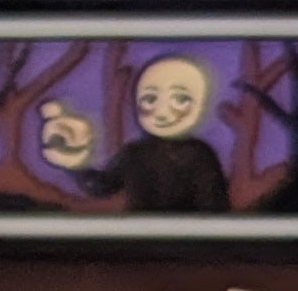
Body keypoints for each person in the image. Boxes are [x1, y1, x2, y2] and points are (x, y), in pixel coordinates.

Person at [36, 55, 231, 213]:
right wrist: (72, 165)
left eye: (180, 99)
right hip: (142, 242)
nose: (162, 112)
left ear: (199, 103)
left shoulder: (200, 155)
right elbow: (103, 186)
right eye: (150, 99)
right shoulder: (134, 153)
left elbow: (214, 208)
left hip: (189, 244)